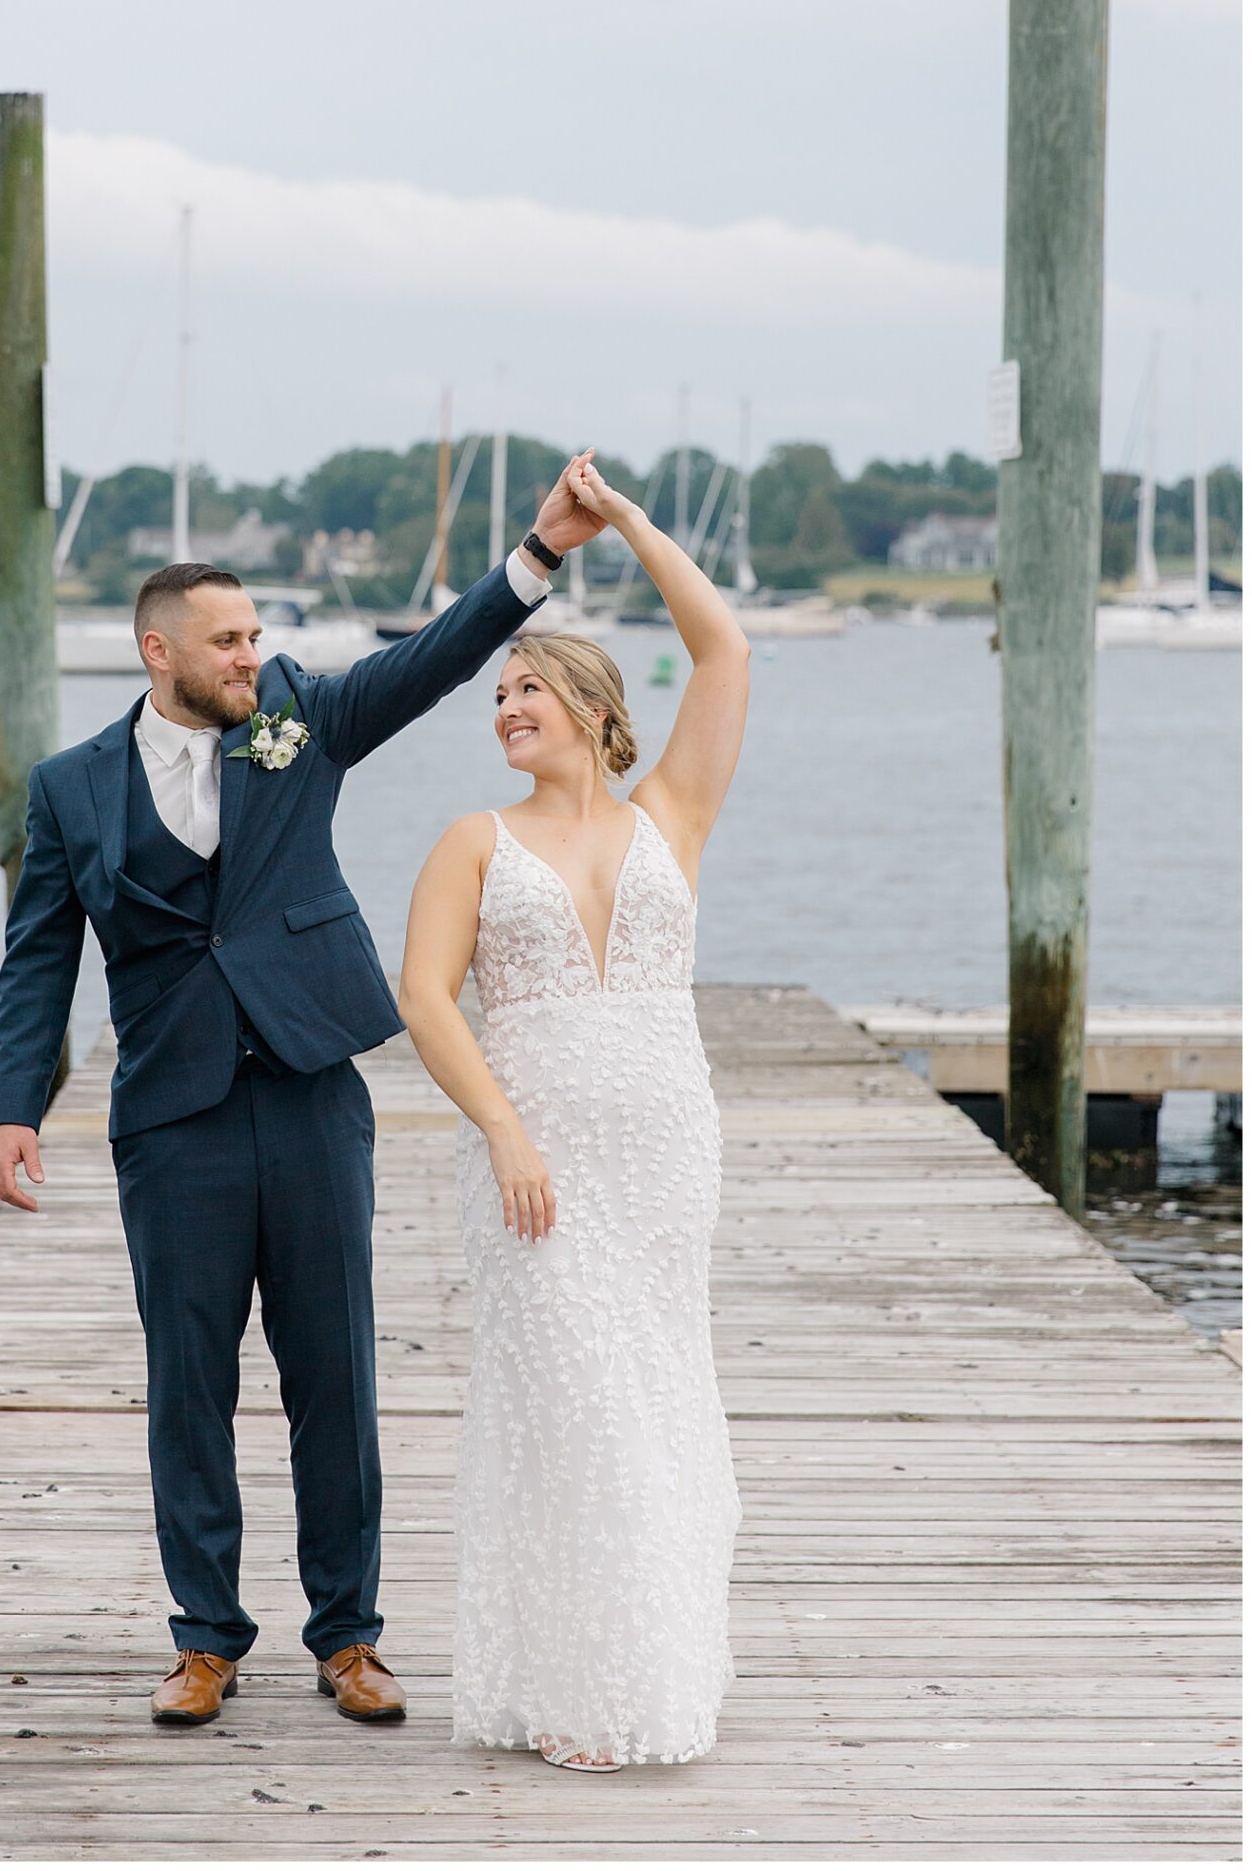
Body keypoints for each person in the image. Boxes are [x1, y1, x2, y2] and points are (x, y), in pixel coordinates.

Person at [0, 453, 608, 1728]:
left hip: (315, 1087)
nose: (250, 655)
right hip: (174, 1115)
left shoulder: (300, 720)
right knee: (187, 1382)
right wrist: (12, 1108)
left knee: (335, 1373)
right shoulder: (69, 789)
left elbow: (430, 660)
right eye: (226, 639)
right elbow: (38, 952)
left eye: (257, 633)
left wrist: (537, 552)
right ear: (157, 651)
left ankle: (350, 1636)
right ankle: (204, 1637)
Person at [398, 458, 750, 1771]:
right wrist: (500, 1128)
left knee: (655, 1394)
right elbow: (428, 999)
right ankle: (571, 1679)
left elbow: (722, 649)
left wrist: (633, 526)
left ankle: (649, 1663)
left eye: (525, 689)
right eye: (495, 697)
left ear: (596, 708)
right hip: (532, 1158)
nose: (504, 711)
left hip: (666, 1147)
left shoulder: (674, 814)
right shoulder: (472, 842)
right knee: (571, 1404)